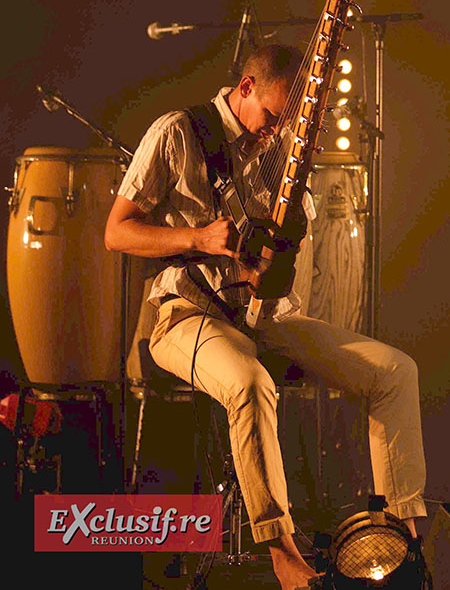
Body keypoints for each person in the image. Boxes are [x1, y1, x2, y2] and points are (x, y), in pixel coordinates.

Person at [105, 44, 426, 590]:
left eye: (285, 123)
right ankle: (282, 551)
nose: (274, 134)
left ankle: (407, 540)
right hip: (184, 312)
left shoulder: (285, 157)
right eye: (272, 118)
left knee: (395, 371)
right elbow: (117, 231)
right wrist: (197, 237)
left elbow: (277, 273)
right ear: (247, 88)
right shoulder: (179, 132)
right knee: (251, 383)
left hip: (265, 316)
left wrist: (276, 259)